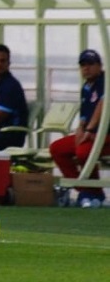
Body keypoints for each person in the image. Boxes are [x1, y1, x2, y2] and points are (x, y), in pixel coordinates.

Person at [49, 49, 110, 208]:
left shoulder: (106, 82)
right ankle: (88, 191)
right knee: (57, 148)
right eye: (83, 65)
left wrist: (89, 129)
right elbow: (84, 115)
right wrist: (80, 130)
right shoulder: (86, 87)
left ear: (99, 65)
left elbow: (102, 105)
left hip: (105, 134)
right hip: (92, 135)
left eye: (90, 64)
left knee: (83, 152)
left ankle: (91, 192)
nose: (86, 68)